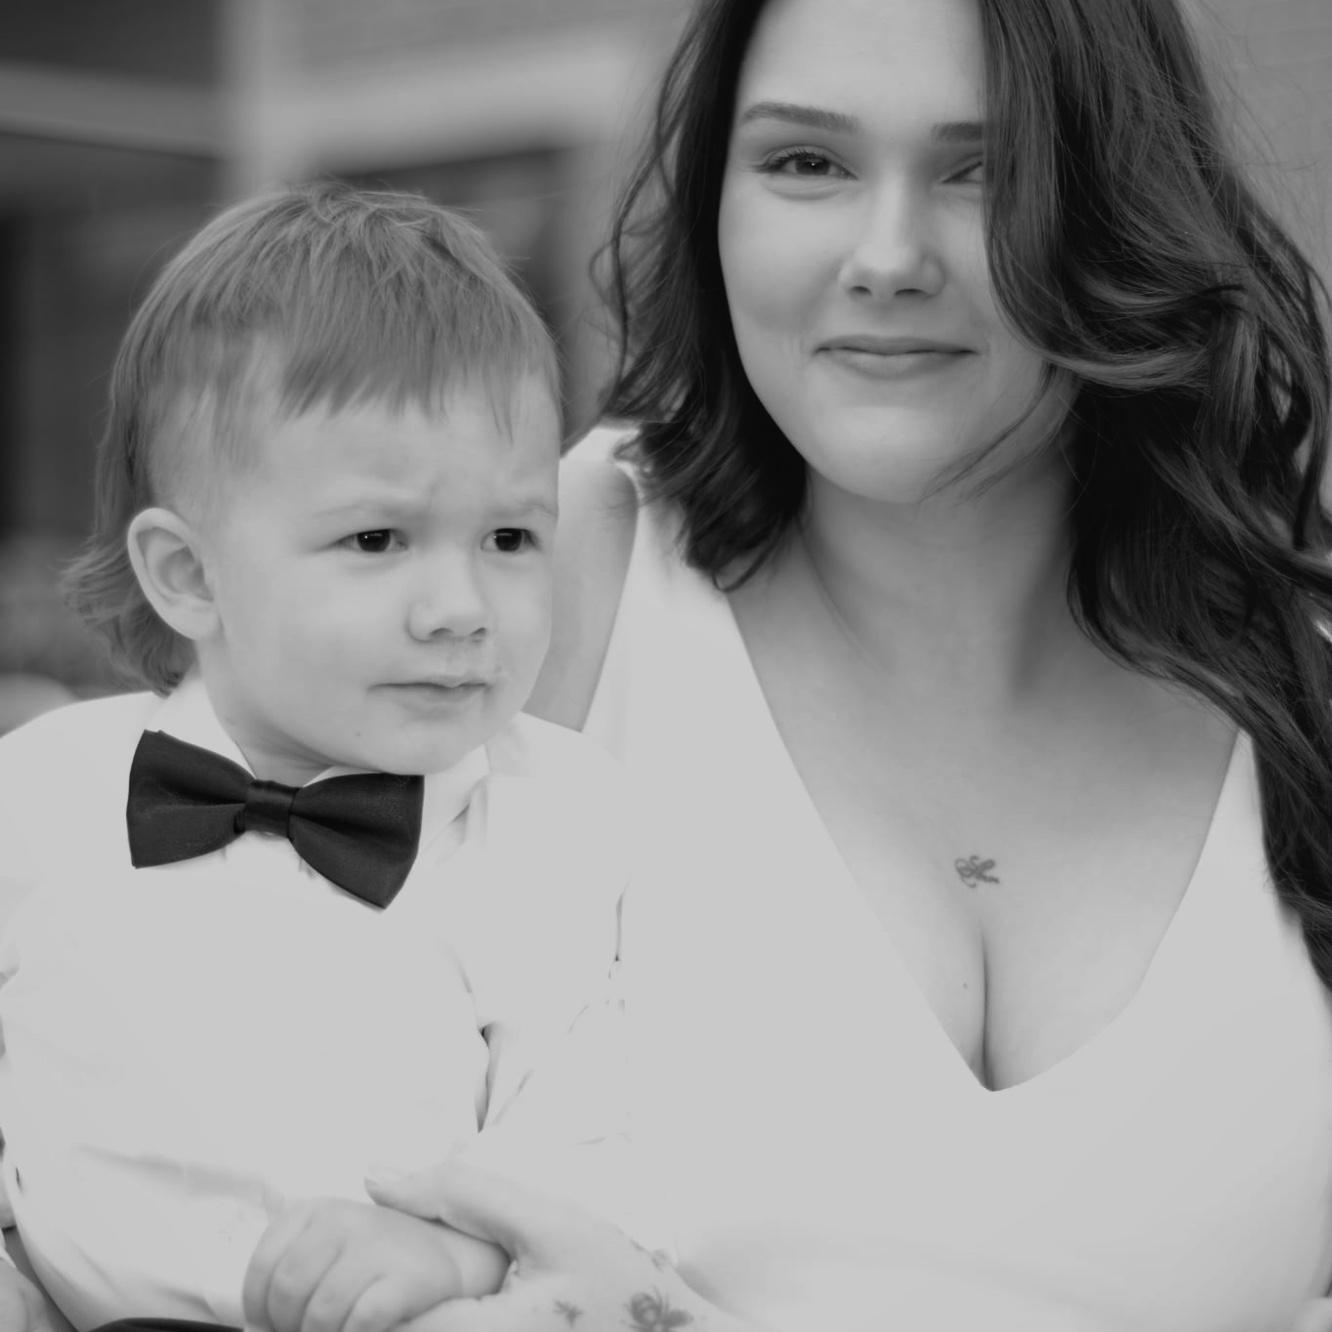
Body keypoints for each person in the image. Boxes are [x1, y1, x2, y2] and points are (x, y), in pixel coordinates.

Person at [289, 0, 1332, 1330]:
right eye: (805, 161)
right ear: (717, 201)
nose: (886, 256)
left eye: (986, 171)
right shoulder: (543, 591)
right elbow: (212, 1195)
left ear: (1120, 204)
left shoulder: (1299, 688)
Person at [0, 182, 638, 1332]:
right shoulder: (42, 796)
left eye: (509, 537)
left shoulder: (557, 825)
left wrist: (457, 1251)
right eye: (377, 539)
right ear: (189, 575)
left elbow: (599, 1120)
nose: (460, 607)